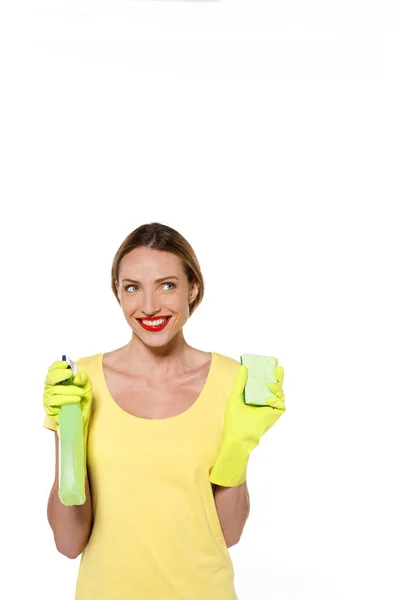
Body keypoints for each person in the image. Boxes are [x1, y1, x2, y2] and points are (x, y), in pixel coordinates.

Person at [42, 222, 286, 600]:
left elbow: (229, 535)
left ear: (193, 288)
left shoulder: (232, 381)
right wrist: (68, 430)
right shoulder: (79, 382)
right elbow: (68, 542)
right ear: (117, 293)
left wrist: (239, 446)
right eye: (133, 287)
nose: (150, 306)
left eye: (167, 285)